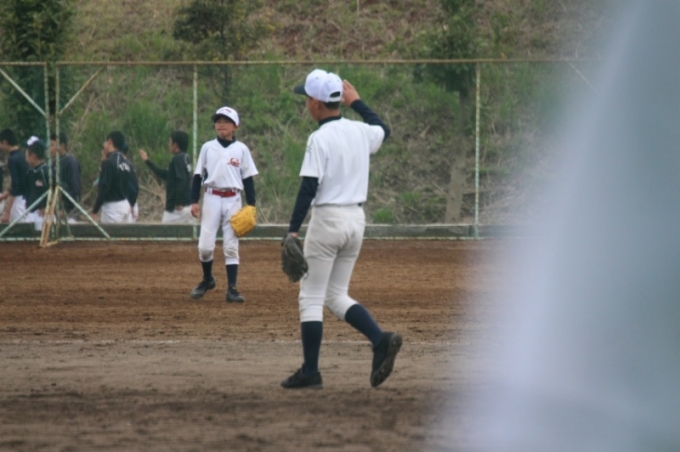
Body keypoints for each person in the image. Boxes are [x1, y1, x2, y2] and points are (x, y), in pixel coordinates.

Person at [280, 69, 401, 390]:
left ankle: (310, 372)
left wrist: (293, 230)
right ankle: (380, 340)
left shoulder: (319, 138)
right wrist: (357, 102)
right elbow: (383, 130)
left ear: (316, 103)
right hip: (355, 222)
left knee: (310, 297)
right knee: (335, 295)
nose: (306, 103)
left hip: (328, 221)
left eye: (307, 98)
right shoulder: (360, 131)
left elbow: (309, 186)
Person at [189, 106, 258, 303]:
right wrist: (194, 201)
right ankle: (208, 279)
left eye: (226, 121)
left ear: (235, 126)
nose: (221, 125)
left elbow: (248, 178)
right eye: (218, 121)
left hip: (233, 199)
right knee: (205, 247)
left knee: (231, 246)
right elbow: (198, 176)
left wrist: (251, 205)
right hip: (211, 197)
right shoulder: (207, 147)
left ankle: (232, 289)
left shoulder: (241, 149)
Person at [139, 131, 193, 224]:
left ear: (175, 145)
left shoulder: (177, 159)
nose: (168, 144)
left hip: (176, 210)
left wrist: (178, 202)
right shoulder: (185, 158)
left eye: (170, 142)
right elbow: (165, 174)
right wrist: (147, 161)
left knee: (165, 232)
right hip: (187, 206)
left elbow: (182, 180)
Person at [92, 131, 137, 224]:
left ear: (109, 142)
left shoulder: (110, 162)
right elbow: (133, 187)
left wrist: (95, 210)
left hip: (112, 208)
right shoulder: (126, 162)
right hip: (125, 204)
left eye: (105, 142)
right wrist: (132, 203)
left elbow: (104, 187)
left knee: (110, 233)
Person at [0, 128, 29, 223]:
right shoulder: (22, 156)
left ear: (5, 142)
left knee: (18, 228)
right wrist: (5, 195)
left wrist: (7, 212)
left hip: (18, 201)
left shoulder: (13, 159)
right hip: (26, 199)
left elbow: (16, 186)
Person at [49, 132, 82, 215]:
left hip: (68, 213)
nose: (50, 148)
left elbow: (75, 189)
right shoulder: (54, 163)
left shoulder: (70, 162)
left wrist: (66, 209)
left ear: (62, 146)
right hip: (55, 209)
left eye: (52, 145)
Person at [24, 136, 50, 228]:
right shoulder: (30, 172)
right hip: (31, 212)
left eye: (27, 153)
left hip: (41, 214)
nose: (25, 156)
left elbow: (55, 190)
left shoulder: (45, 172)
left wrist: (48, 207)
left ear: (33, 156)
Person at [120, 141, 139, 223]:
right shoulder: (129, 164)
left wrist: (131, 204)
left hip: (128, 204)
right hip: (132, 204)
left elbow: (133, 189)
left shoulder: (121, 165)